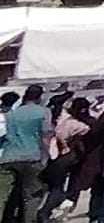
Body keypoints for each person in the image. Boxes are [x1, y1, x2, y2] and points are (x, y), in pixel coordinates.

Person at [0, 84, 51, 223]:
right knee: (31, 195)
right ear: (40, 97)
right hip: (32, 156)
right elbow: (45, 137)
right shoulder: (43, 112)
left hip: (9, 156)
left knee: (10, 195)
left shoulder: (13, 113)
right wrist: (45, 158)